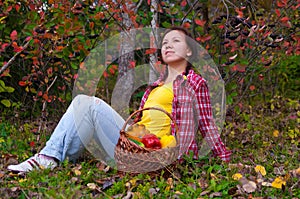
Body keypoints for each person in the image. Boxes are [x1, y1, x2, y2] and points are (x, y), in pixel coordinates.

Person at [7, 26, 231, 173]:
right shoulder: (155, 86)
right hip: (137, 144)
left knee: (88, 103)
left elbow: (207, 124)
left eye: (175, 41)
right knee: (83, 105)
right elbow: (143, 125)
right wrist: (133, 131)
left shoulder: (193, 82)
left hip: (159, 154)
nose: (168, 45)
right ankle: (54, 159)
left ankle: (49, 159)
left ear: (190, 52)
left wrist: (225, 161)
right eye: (164, 43)